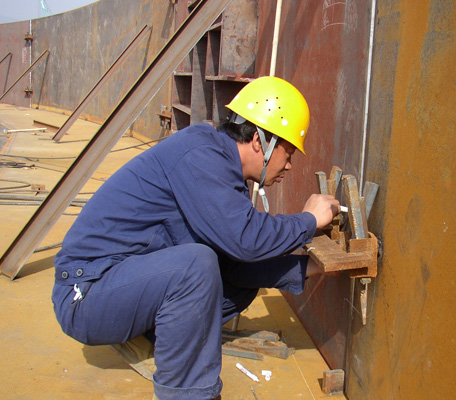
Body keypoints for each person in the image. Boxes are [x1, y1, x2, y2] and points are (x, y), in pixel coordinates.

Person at [51, 76, 341, 400]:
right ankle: (188, 394)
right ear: (260, 141)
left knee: (232, 282)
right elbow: (246, 239)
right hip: (86, 294)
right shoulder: (201, 155)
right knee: (196, 266)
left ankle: (156, 337)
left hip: (116, 284)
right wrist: (309, 220)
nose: (288, 166)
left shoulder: (220, 168)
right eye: (288, 153)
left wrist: (310, 267)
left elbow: (236, 262)